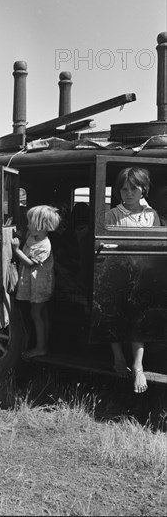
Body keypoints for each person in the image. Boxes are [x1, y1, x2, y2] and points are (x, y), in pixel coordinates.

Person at [105, 166, 161, 393]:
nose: (128, 193)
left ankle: (138, 366)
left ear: (143, 190)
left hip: (143, 273)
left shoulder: (152, 215)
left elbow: (157, 246)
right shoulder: (111, 215)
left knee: (139, 319)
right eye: (123, 189)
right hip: (118, 273)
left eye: (133, 188)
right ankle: (118, 357)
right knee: (114, 316)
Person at [11, 205, 61, 359]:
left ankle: (41, 347)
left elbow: (29, 263)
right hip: (34, 283)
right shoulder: (33, 235)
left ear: (41, 226)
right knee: (41, 313)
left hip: (40, 285)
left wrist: (16, 250)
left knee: (36, 313)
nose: (27, 226)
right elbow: (25, 236)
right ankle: (43, 342)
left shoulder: (44, 245)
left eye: (30, 223)